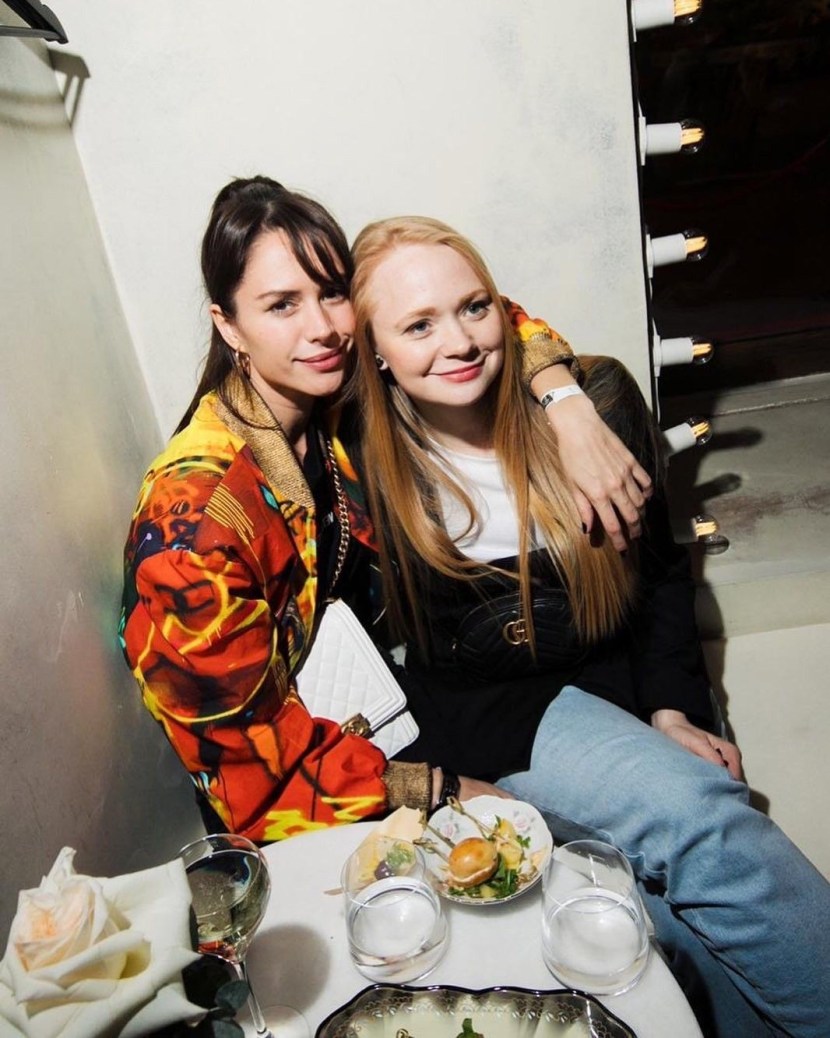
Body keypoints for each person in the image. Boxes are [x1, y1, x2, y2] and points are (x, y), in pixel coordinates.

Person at [348, 214, 830, 1038]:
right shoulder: (357, 463)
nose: (458, 342)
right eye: (417, 325)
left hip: (612, 676)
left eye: (473, 307)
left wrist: (673, 706)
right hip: (495, 717)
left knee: (662, 913)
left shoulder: (594, 398)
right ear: (376, 352)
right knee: (696, 834)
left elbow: (659, 573)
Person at [119, 175, 650, 844]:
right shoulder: (195, 524)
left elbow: (480, 315)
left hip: (381, 718)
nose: (323, 329)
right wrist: (437, 789)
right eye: (282, 305)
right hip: (306, 805)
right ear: (229, 325)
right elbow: (250, 780)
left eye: (332, 293)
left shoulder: (331, 401)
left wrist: (568, 405)